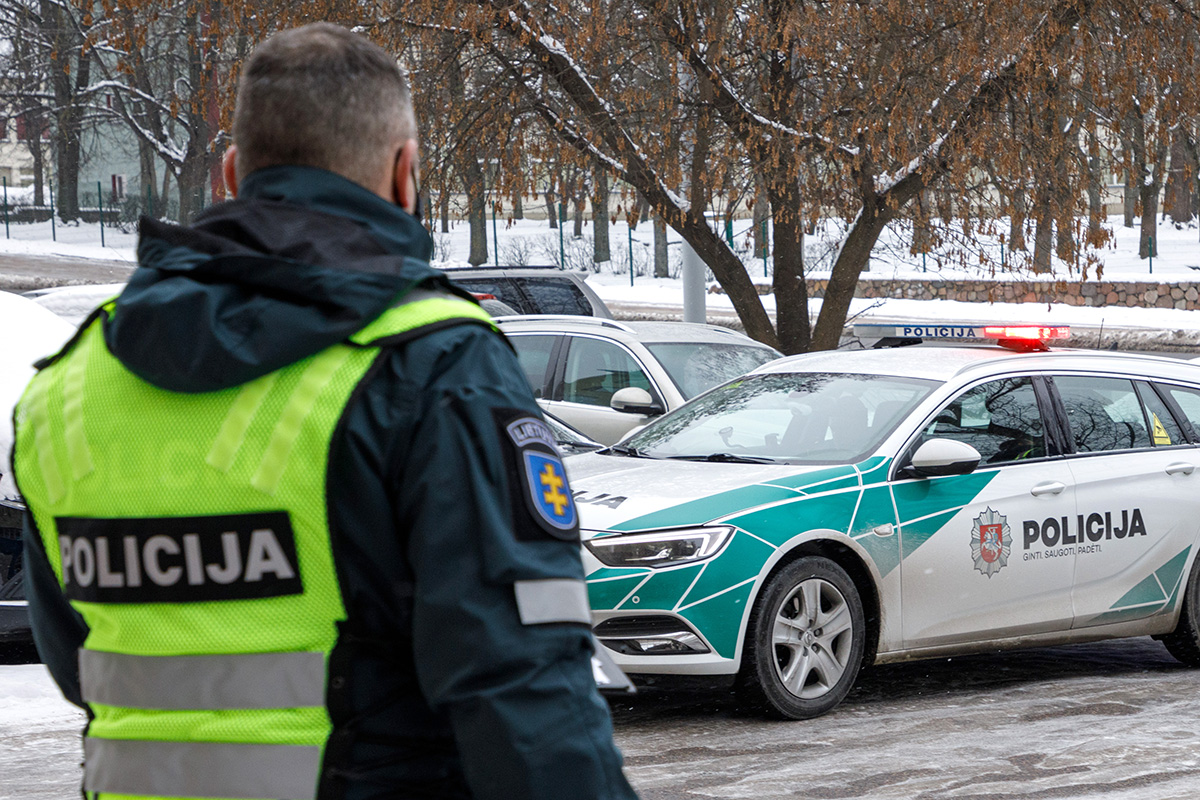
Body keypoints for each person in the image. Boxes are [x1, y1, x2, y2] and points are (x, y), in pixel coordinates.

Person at [12, 22, 638, 800]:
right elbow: (523, 687)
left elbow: (79, 659)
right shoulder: (431, 362)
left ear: (233, 172)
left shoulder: (69, 387)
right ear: (406, 174)